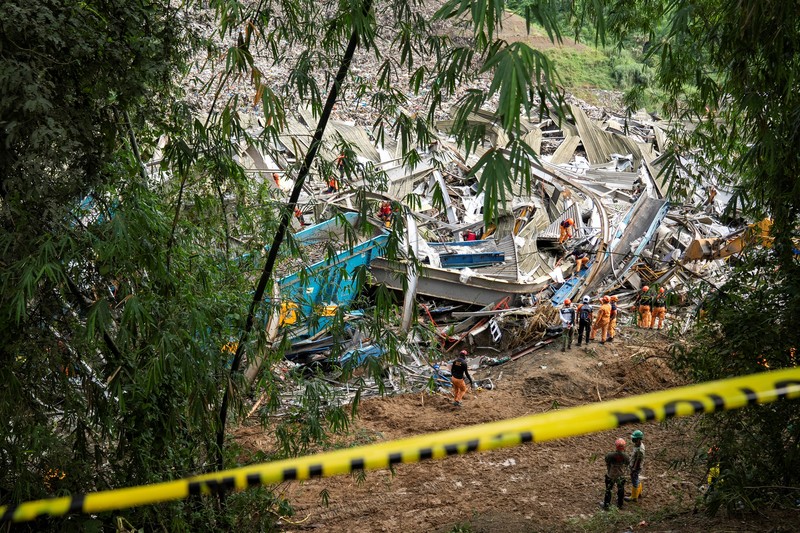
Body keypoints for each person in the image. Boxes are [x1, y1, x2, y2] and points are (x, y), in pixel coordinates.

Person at [603, 438, 630, 510]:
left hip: (611, 475)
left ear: (616, 446)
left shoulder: (610, 455)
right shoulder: (625, 456)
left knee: (608, 490)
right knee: (621, 490)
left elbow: (607, 461)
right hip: (620, 475)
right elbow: (628, 463)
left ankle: (606, 505)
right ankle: (620, 504)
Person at [627, 430, 645, 501]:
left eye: (634, 439)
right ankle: (638, 492)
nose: (633, 440)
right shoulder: (638, 445)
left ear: (639, 439)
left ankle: (634, 497)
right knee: (636, 478)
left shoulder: (640, 450)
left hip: (636, 466)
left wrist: (634, 468)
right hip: (636, 465)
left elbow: (638, 460)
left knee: (634, 479)